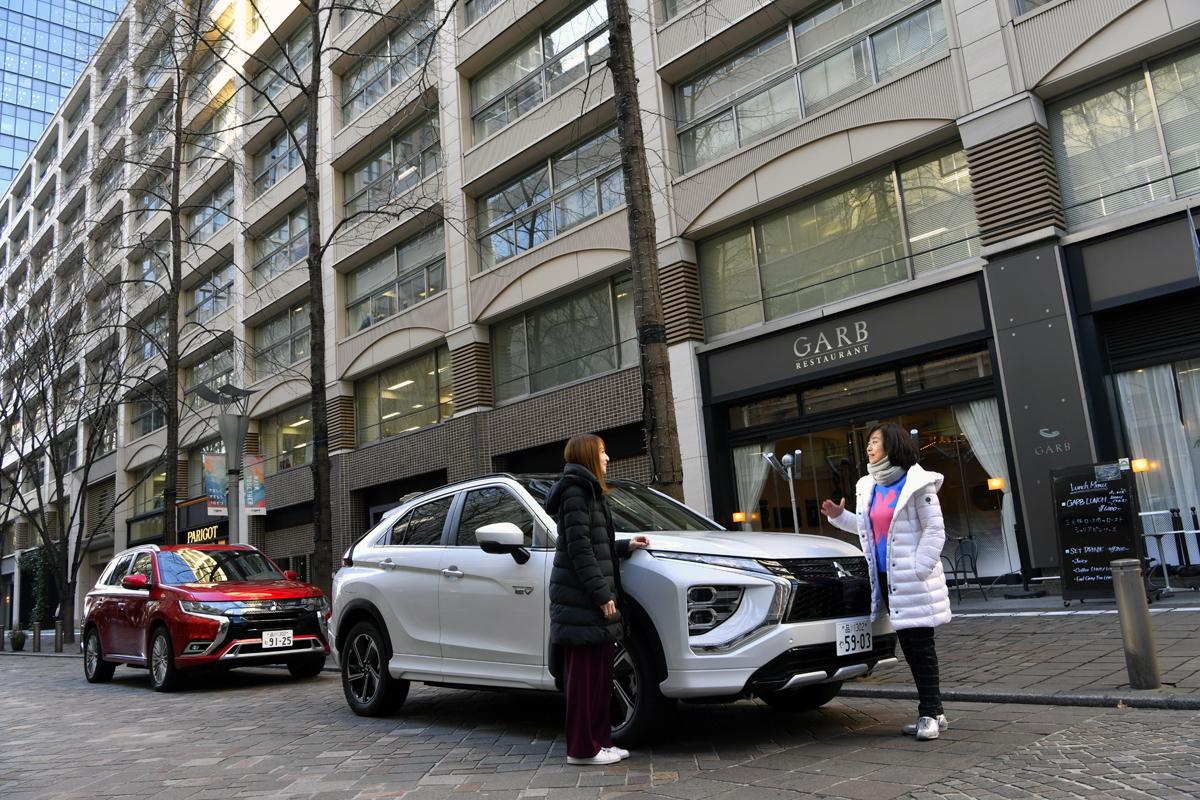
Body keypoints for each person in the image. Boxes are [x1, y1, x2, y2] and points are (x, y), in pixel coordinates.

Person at [821, 422, 951, 740]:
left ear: (893, 445)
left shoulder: (917, 483)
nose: (869, 446)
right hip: (885, 579)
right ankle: (936, 712)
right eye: (868, 442)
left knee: (920, 647)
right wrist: (839, 517)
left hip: (911, 579)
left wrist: (918, 569)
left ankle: (929, 714)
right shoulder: (869, 485)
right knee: (910, 646)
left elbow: (935, 530)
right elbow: (867, 529)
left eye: (875, 441)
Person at [545, 434, 650, 765]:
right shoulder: (576, 492)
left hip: (589, 599)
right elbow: (578, 549)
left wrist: (626, 545)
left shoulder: (591, 492)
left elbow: (597, 543)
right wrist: (601, 594)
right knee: (584, 680)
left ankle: (600, 743)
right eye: (603, 452)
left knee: (599, 678)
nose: (608, 458)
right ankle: (582, 749)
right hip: (582, 601)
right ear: (590, 456)